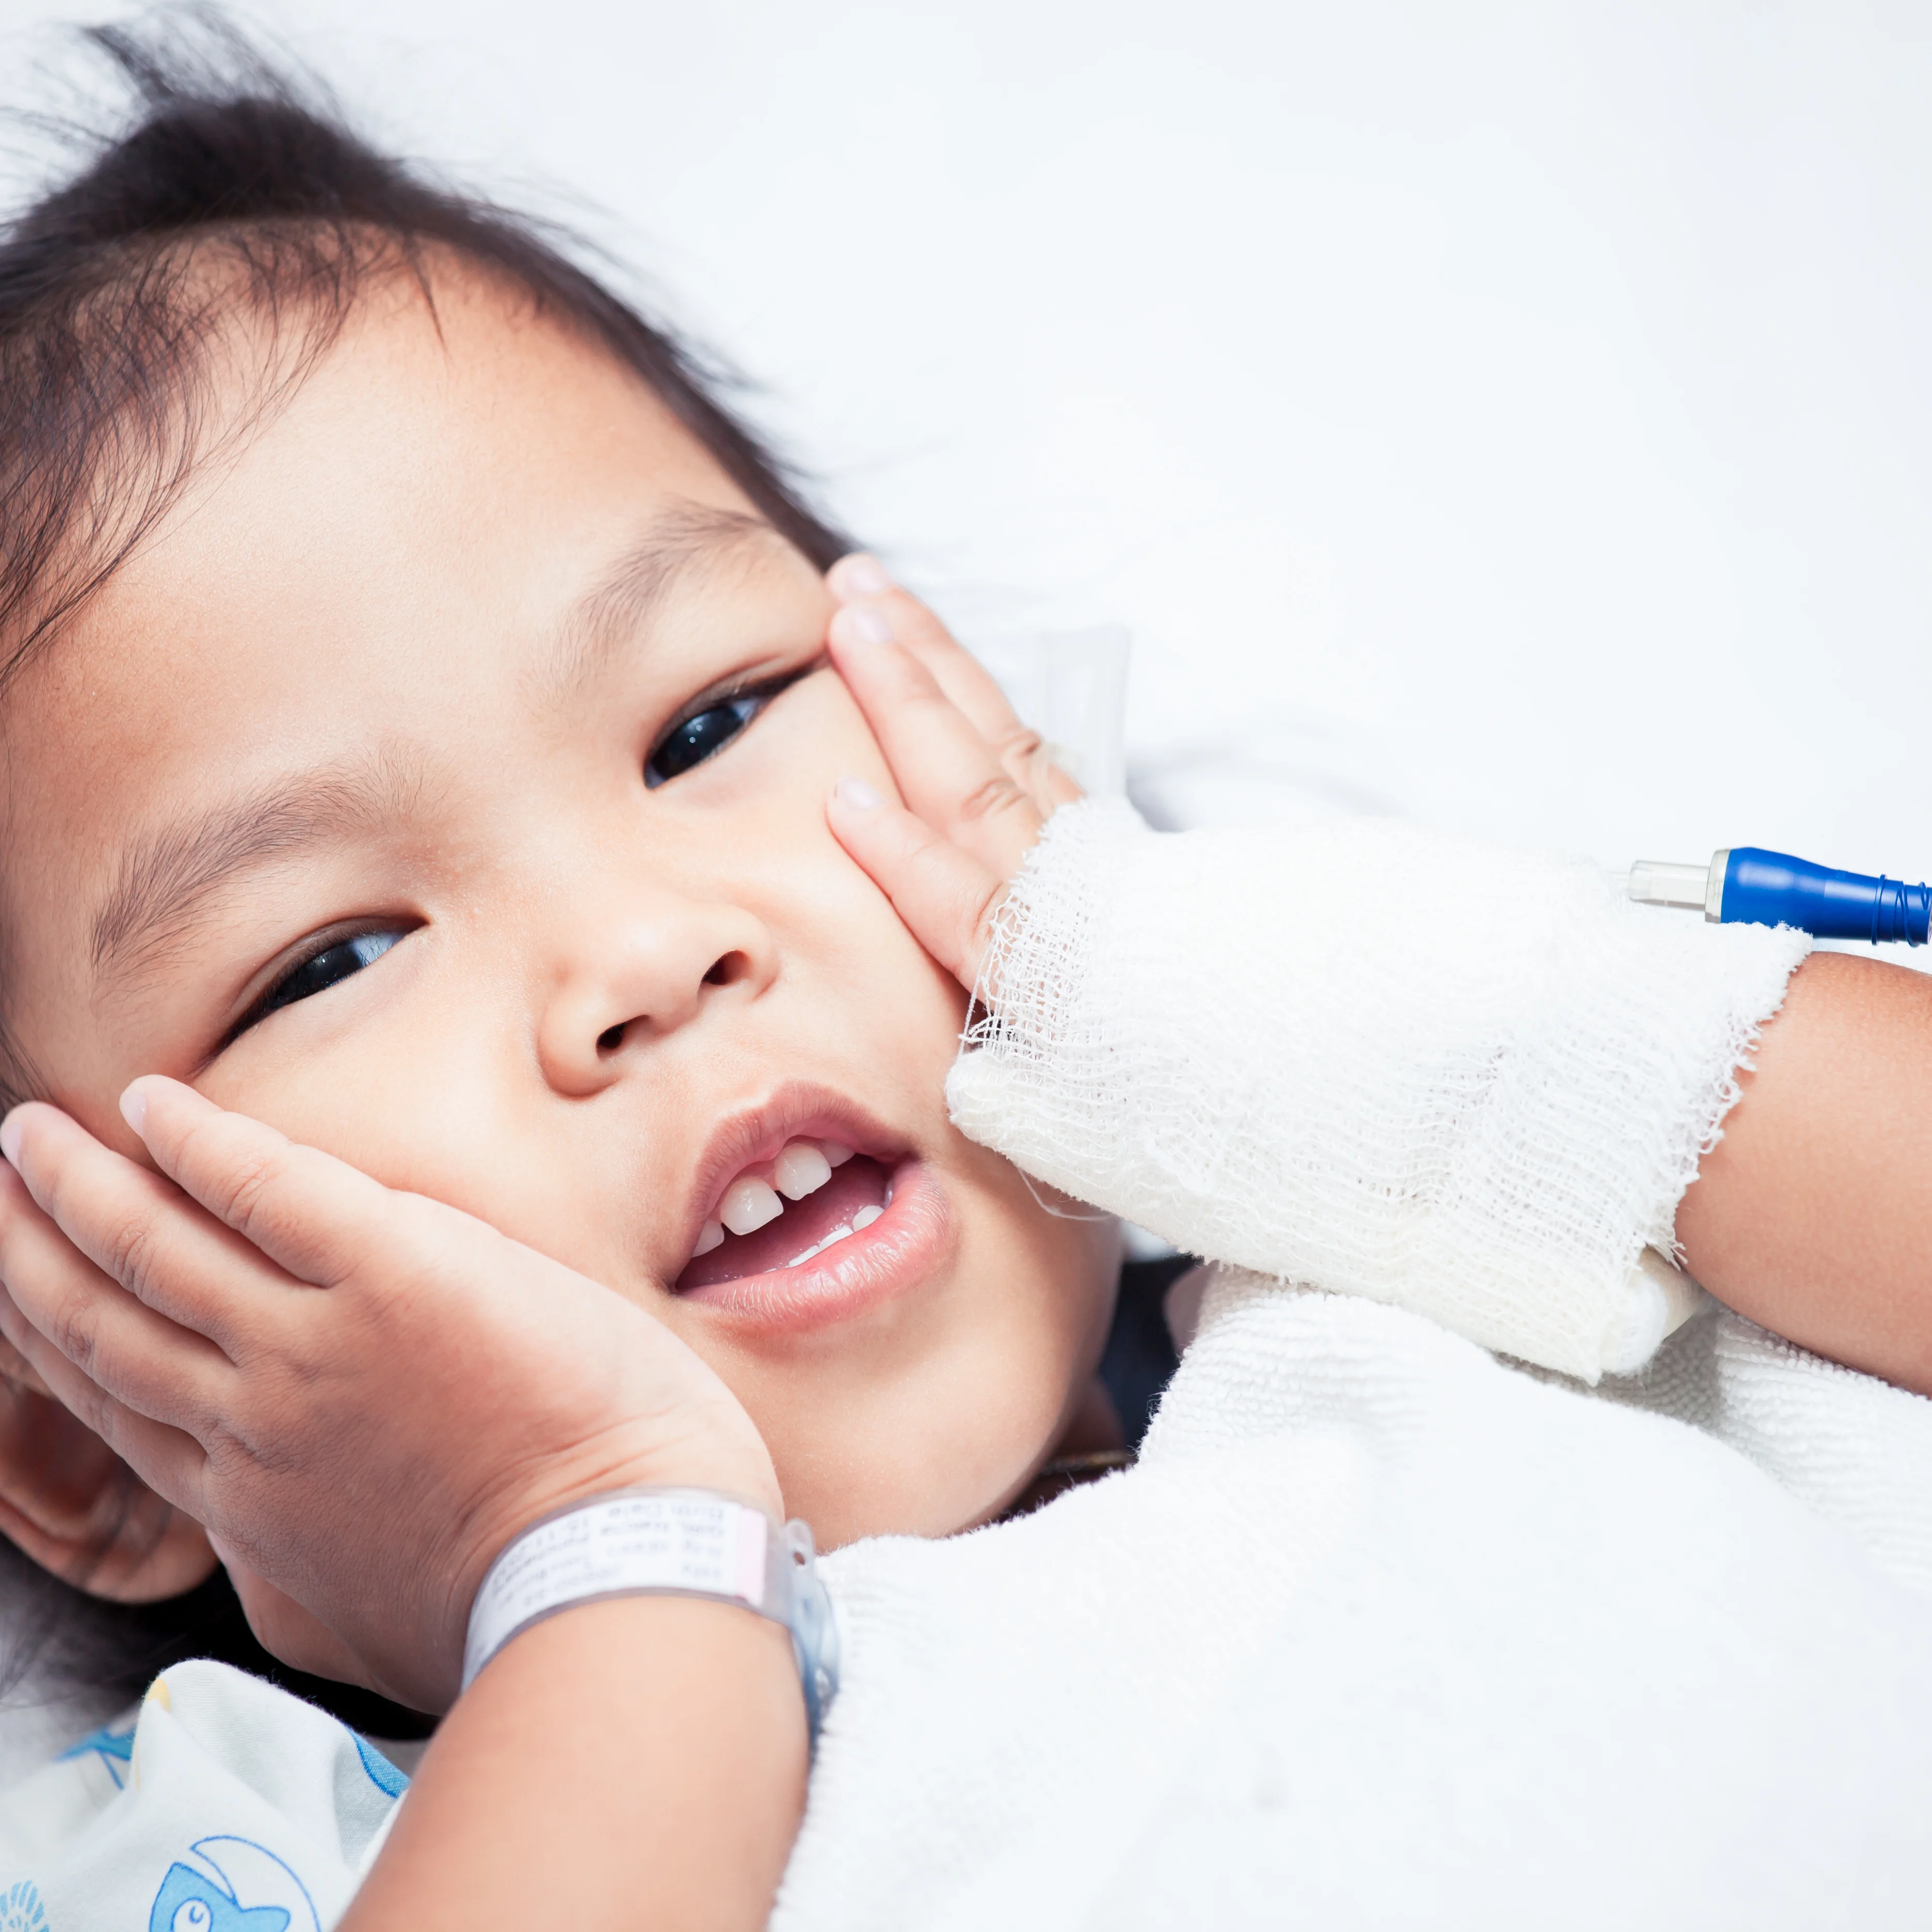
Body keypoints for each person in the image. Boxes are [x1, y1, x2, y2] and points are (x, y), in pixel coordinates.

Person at [0, 22, 1929, 1930]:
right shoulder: (277, 1851)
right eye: (330, 957)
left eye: (710, 722)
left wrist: (1315, 1015)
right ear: (74, 1429)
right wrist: (600, 1549)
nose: (652, 958)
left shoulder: (1464, 1228)